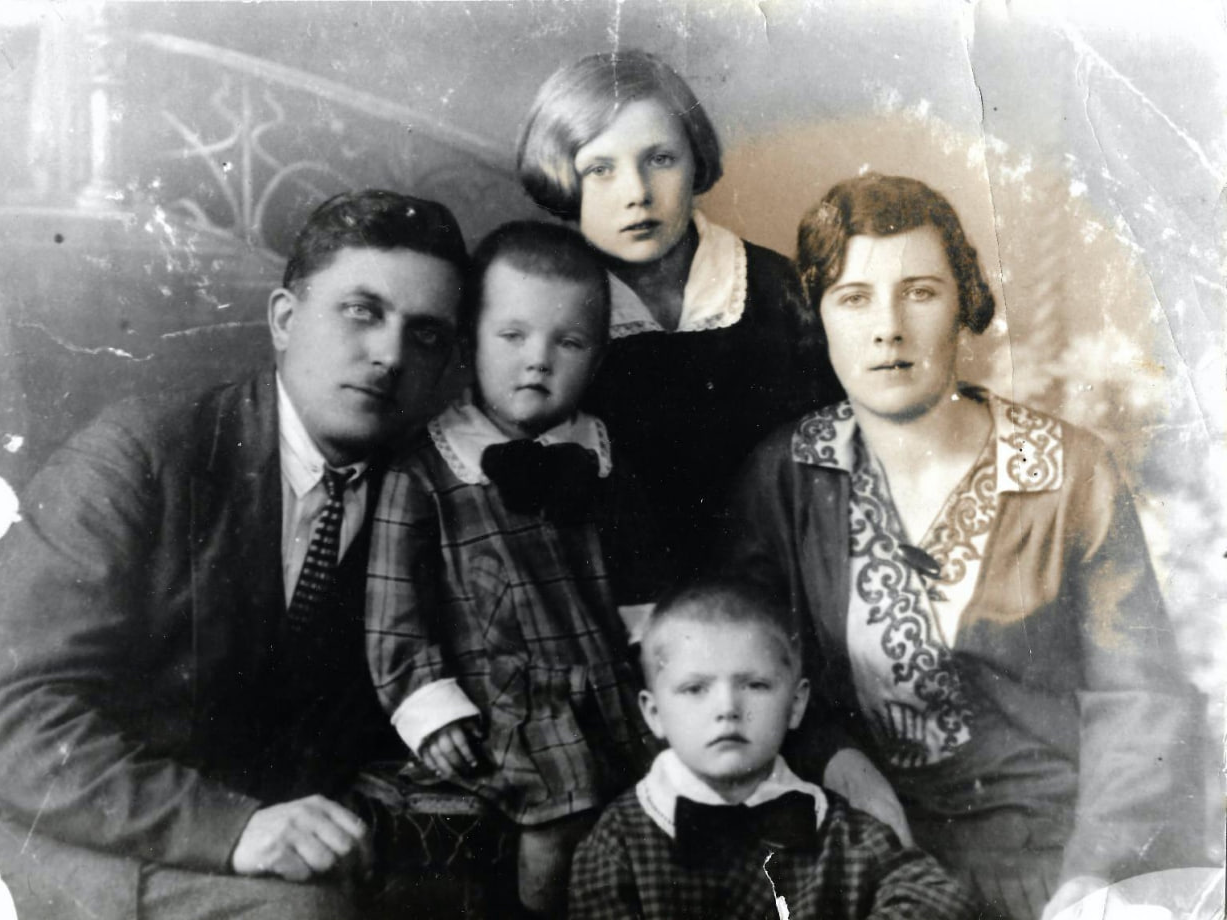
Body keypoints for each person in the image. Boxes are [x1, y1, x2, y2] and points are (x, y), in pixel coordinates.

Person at [0, 190, 468, 920]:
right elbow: (12, 719)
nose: (390, 355)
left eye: (426, 335)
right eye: (361, 311)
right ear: (284, 319)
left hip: (243, 829)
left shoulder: (423, 495)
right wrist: (233, 831)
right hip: (46, 824)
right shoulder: (143, 454)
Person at [725, 174, 1199, 920]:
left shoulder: (1068, 470)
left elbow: (1140, 701)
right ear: (819, 316)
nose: (888, 328)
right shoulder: (785, 474)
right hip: (871, 856)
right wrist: (841, 764)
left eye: (920, 292)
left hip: (1054, 859)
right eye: (854, 298)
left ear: (965, 306)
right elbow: (753, 671)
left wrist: (1095, 877)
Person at [366, 221, 668, 917]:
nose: (538, 361)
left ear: (597, 358)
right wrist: (432, 712)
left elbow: (644, 593)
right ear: (469, 342)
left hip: (610, 691)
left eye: (569, 343)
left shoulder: (603, 461)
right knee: (559, 817)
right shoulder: (425, 474)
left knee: (659, 803)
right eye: (512, 336)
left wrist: (661, 663)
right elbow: (394, 617)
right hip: (505, 708)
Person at [517, 50, 842, 579]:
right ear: (564, 180)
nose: (637, 194)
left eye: (661, 159)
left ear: (695, 161)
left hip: (782, 587)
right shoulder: (543, 309)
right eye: (600, 169)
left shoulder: (782, 291)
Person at [569, 577, 976, 920]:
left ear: (796, 705)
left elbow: (938, 896)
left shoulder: (835, 829)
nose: (727, 708)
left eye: (755, 685)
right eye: (695, 689)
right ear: (654, 713)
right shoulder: (617, 843)